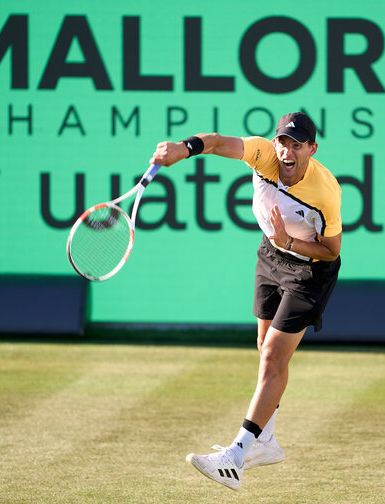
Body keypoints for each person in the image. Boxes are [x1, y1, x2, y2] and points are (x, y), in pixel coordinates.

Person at [150, 112, 342, 491]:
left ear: (312, 149)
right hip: (270, 256)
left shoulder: (325, 191)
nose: (287, 151)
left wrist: (289, 241)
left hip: (309, 272)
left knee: (273, 356)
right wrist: (183, 150)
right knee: (263, 346)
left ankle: (236, 457)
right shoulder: (262, 155)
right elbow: (219, 142)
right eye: (282, 142)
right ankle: (266, 442)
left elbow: (331, 251)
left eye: (297, 145)